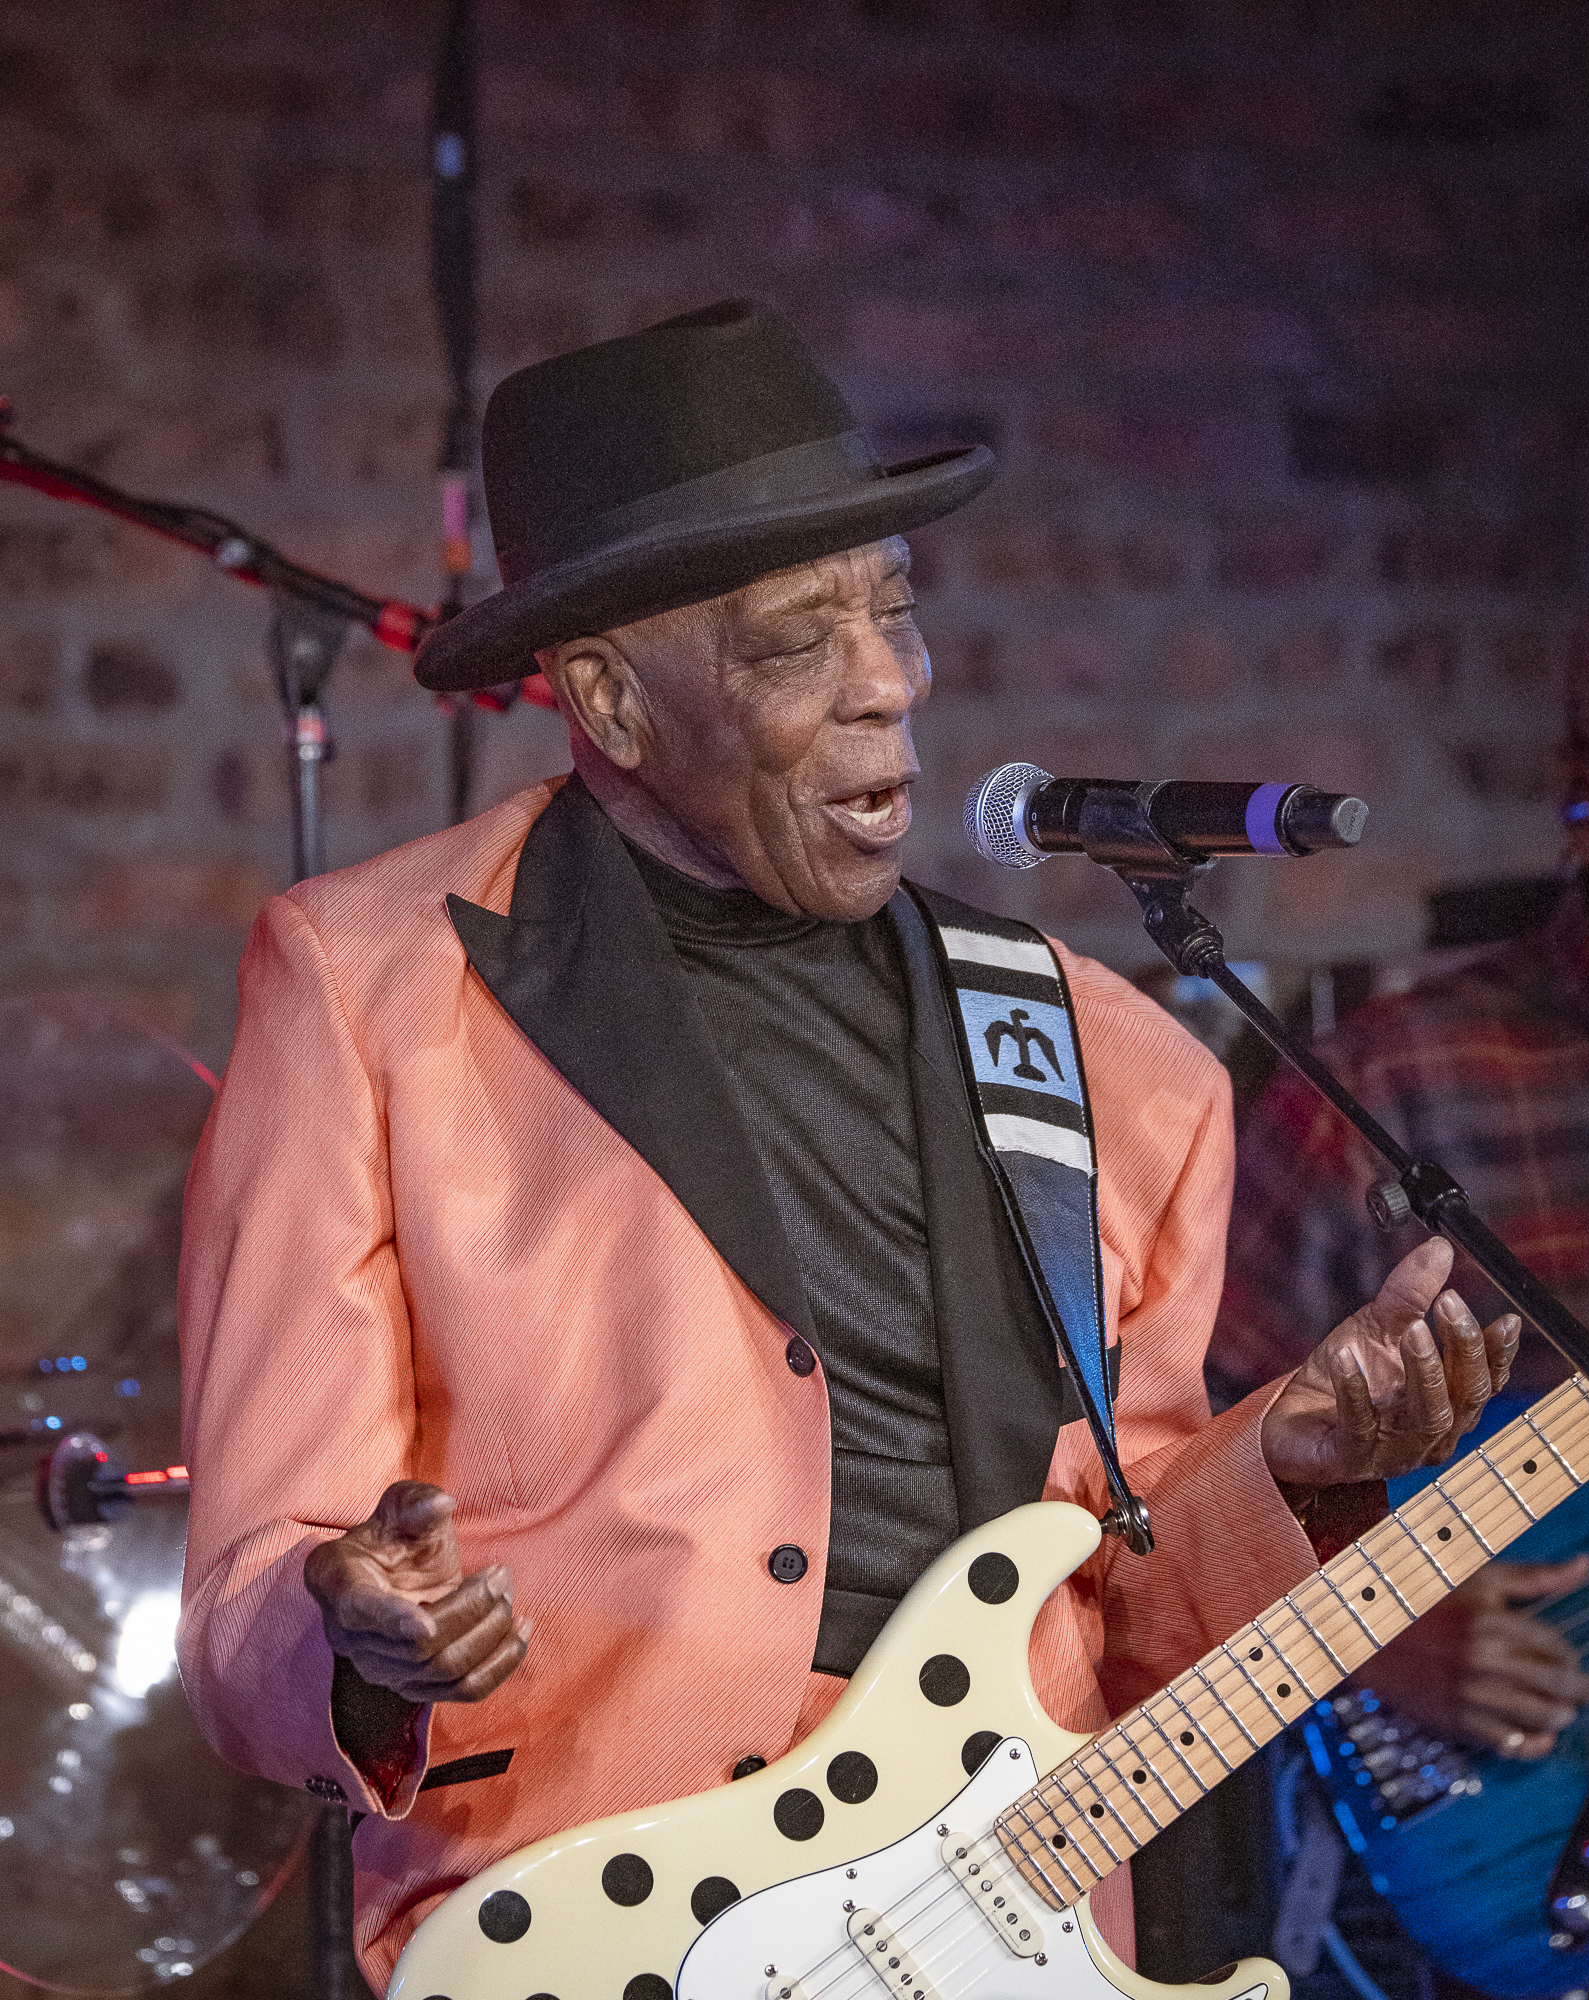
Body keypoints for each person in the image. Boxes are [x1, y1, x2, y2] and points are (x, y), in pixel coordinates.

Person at [176, 300, 1512, 1991]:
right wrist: (355, 1630)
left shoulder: (1113, 1063)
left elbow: (1140, 1611)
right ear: (611, 698)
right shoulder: (366, 993)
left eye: (895, 612)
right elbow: (242, 1608)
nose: (895, 688)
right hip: (589, 1936)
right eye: (799, 642)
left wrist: (1300, 1469)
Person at [1215, 617, 1589, 1995]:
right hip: (1495, 1843)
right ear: (1580, 781)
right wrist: (1379, 1626)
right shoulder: (1393, 1091)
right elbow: (1168, 1486)